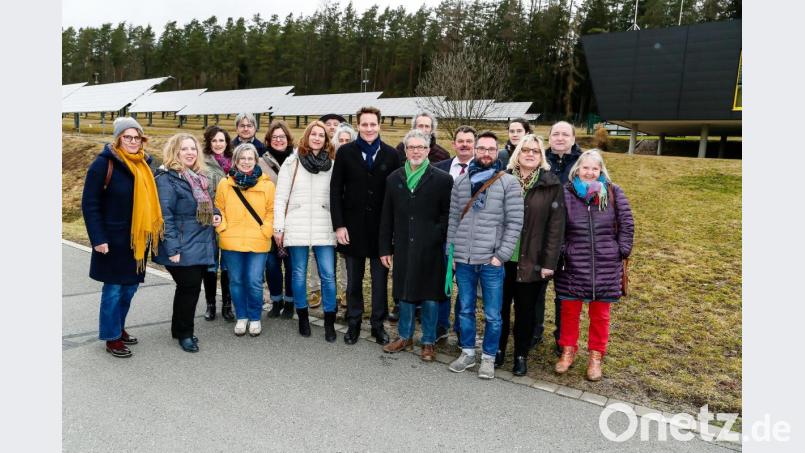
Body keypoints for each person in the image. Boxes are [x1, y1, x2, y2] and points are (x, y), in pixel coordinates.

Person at [81, 117, 163, 358]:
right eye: (128, 137)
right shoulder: (103, 165)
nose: (133, 141)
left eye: (137, 137)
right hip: (112, 240)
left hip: (137, 241)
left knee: (130, 288)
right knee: (114, 289)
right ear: (118, 139)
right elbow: (90, 204)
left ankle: (118, 327)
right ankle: (111, 336)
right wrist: (98, 238)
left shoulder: (145, 165)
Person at [446, 131, 523, 380]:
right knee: (465, 309)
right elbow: (453, 220)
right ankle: (468, 351)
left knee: (493, 313)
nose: (486, 153)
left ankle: (488, 357)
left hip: (491, 261)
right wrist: (451, 253)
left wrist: (501, 255)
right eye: (482, 148)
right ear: (475, 151)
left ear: (497, 151)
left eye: (491, 149)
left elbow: (514, 223)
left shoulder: (508, 183)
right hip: (464, 260)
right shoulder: (461, 182)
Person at [554, 149, 634, 381]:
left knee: (601, 314)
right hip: (573, 263)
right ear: (577, 169)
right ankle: (567, 351)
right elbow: (556, 226)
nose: (589, 172)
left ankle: (595, 356)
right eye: (585, 167)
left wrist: (621, 250)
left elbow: (627, 223)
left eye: (594, 168)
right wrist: (563, 251)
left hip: (606, 263)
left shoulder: (612, 192)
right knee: (569, 311)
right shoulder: (566, 193)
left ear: (601, 171)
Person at [330, 106, 402, 345]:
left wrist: (392, 232)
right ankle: (353, 322)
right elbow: (335, 191)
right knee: (353, 280)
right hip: (352, 229)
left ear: (379, 125)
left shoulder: (391, 155)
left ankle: (377, 324)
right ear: (357, 126)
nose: (369, 129)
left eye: (373, 124)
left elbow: (396, 196)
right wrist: (339, 225)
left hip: (381, 231)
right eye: (364, 124)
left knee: (380, 282)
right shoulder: (345, 153)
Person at [379, 130, 453, 361]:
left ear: (428, 150)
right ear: (406, 150)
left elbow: (447, 215)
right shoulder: (394, 179)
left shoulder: (442, 179)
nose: (416, 151)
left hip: (431, 247)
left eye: (420, 147)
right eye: (411, 147)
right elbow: (386, 217)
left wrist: (436, 234)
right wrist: (385, 248)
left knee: (430, 296)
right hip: (403, 246)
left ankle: (428, 341)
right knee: (405, 293)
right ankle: (404, 336)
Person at [496, 134, 565, 375]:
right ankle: (498, 350)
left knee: (525, 312)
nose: (530, 154)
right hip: (501, 259)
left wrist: (549, 263)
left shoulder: (551, 185)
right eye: (525, 149)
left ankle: (520, 355)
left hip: (532, 261)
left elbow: (555, 228)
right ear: (517, 153)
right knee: (500, 309)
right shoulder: (502, 179)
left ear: (541, 156)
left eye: (535, 151)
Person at [152, 134, 221, 353]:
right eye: (184, 149)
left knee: (187, 289)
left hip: (199, 242)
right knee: (190, 288)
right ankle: (186, 334)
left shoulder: (199, 177)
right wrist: (172, 249)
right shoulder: (166, 179)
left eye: (193, 148)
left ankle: (178, 328)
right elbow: (165, 216)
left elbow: (208, 204)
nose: (190, 152)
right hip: (181, 245)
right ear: (175, 152)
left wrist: (216, 214)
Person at [273, 121, 338, 341]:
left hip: (324, 224)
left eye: (322, 135)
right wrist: (278, 227)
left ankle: (329, 321)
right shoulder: (292, 163)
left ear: (326, 140)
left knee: (328, 275)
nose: (317, 138)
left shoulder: (332, 164)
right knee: (298, 274)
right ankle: (302, 317)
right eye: (314, 134)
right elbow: (280, 198)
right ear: (307, 136)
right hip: (297, 224)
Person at [215, 143, 275, 337]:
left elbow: (271, 211)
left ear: (255, 160)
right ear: (236, 161)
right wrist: (222, 228)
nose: (246, 162)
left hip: (258, 240)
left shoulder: (267, 185)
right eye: (242, 159)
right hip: (231, 240)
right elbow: (219, 208)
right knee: (237, 280)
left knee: (254, 281)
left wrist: (265, 230)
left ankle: (255, 317)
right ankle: (242, 316)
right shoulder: (225, 184)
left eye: (250, 158)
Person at [543, 120, 584, 354]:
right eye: (555, 134)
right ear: (549, 138)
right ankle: (535, 331)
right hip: (541, 236)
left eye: (565, 134)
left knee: (566, 293)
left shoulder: (581, 164)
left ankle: (563, 339)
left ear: (573, 138)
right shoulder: (541, 160)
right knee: (536, 289)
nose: (560, 138)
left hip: (571, 238)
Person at [433, 125, 476, 342]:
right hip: (443, 236)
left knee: (465, 285)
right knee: (443, 281)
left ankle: (461, 328)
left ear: (474, 145)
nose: (465, 144)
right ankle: (441, 325)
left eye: (469, 141)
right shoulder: (439, 167)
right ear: (454, 144)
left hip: (471, 238)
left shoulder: (483, 172)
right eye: (461, 141)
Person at [259, 120, 296, 319]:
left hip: (293, 220)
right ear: (269, 140)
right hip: (270, 220)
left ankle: (290, 303)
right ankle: (276, 300)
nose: (279, 140)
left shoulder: (298, 159)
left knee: (291, 266)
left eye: (282, 136)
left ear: (288, 138)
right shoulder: (261, 162)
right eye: (275, 137)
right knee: (272, 265)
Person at [201, 125, 235, 322]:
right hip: (209, 220)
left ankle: (227, 304)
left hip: (231, 220)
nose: (218, 144)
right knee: (211, 265)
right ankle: (210, 304)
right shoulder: (202, 163)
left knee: (228, 264)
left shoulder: (235, 162)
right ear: (209, 142)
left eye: (221, 140)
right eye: (214, 140)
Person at [330, 123, 358, 310]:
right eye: (341, 140)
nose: (344, 143)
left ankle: (346, 291)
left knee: (345, 258)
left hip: (347, 216)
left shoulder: (355, 161)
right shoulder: (329, 162)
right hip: (329, 214)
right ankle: (327, 291)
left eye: (348, 140)